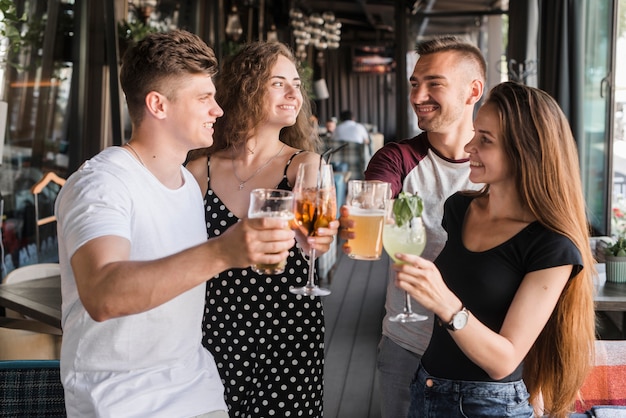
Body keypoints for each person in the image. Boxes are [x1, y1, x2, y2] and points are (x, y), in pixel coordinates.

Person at [55, 30, 296, 417]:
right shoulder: (101, 183)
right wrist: (222, 251)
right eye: (204, 98)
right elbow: (102, 295)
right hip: (121, 401)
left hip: (197, 388)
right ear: (158, 105)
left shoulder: (186, 184)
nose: (218, 110)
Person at [394, 81, 596, 417]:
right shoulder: (459, 209)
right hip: (426, 388)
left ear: (526, 152)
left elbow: (503, 361)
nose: (470, 145)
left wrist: (444, 302)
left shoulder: (552, 246)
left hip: (489, 405)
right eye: (475, 133)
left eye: (485, 140)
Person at [186, 41, 339, 418]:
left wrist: (320, 237)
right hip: (214, 327)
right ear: (246, 88)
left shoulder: (307, 166)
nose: (293, 93)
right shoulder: (198, 170)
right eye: (278, 83)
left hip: (288, 326)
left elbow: (321, 235)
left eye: (297, 84)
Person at [339, 36, 486, 417]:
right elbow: (374, 198)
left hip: (483, 349)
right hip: (409, 346)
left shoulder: (500, 165)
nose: (418, 95)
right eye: (414, 83)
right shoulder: (398, 157)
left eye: (434, 83)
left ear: (473, 91)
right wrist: (358, 221)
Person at [330, 109, 371, 179]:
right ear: (353, 118)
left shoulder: (338, 128)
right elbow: (367, 142)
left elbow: (332, 141)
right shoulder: (359, 127)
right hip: (358, 162)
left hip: (340, 164)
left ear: (341, 119)